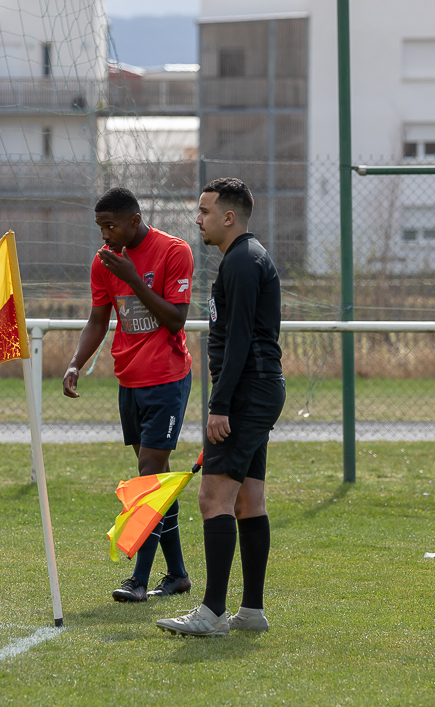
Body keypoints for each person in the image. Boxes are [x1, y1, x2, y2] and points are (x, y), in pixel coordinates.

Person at [156, 177, 285, 637]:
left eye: (205, 211)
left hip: (248, 393)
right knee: (249, 500)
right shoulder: (240, 259)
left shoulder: (243, 262)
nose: (198, 219)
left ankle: (210, 612)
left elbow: (242, 341)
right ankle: (250, 612)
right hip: (257, 390)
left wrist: (220, 404)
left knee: (213, 499)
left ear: (229, 216)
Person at [64, 186, 195, 603]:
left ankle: (138, 580)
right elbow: (98, 319)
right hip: (129, 379)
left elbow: (175, 320)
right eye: (100, 226)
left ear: (134, 221)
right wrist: (75, 364)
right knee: (156, 481)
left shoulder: (175, 252)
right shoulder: (103, 263)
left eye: (111, 225)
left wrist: (133, 278)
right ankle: (176, 574)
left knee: (147, 476)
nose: (105, 234)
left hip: (167, 378)